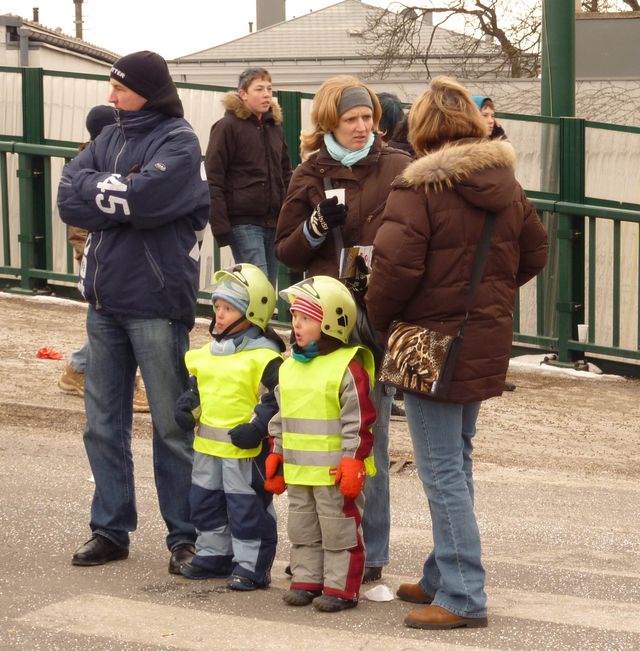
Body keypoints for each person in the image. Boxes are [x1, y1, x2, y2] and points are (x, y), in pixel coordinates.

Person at [366, 76, 548, 630]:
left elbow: (394, 272)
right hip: (483, 339)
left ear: (422, 129)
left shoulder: (417, 189)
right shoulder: (506, 184)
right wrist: (486, 296)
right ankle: (441, 573)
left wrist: (380, 320)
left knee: (442, 469)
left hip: (429, 344)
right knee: (456, 460)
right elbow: (536, 252)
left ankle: (464, 594)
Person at [57, 50, 210, 573]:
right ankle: (110, 529)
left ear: (146, 90)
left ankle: (186, 537)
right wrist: (122, 194)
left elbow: (147, 199)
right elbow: (67, 197)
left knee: (172, 427)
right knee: (102, 424)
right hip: (104, 302)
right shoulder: (108, 136)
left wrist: (106, 193)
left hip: (156, 304)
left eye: (119, 88)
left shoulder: (179, 141)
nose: (111, 96)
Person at [275, 75, 411, 584]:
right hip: (323, 323)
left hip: (374, 320)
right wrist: (314, 226)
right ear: (329, 122)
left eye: (367, 117)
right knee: (318, 439)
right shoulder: (310, 171)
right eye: (350, 119)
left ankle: (369, 550)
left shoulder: (397, 166)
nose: (361, 127)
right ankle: (322, 548)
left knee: (368, 439)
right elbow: (285, 249)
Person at [265, 276, 376, 612]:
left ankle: (342, 588)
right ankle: (307, 580)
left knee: (339, 530)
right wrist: (277, 454)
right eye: (295, 317)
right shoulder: (289, 368)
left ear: (331, 323)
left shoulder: (346, 367)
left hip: (334, 474)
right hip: (300, 471)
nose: (296, 325)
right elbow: (282, 417)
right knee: (303, 528)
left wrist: (353, 460)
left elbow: (359, 420)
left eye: (306, 318)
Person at [173, 263, 284, 590]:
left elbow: (275, 401)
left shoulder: (265, 358)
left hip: (244, 452)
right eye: (217, 307)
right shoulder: (205, 355)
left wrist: (258, 427)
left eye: (229, 309)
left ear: (253, 313)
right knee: (204, 504)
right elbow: (198, 392)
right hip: (207, 450)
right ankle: (214, 555)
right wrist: (188, 409)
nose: (219, 315)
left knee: (246, 508)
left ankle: (252, 566)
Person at [58, 106, 149, 413]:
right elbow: (82, 222)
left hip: (108, 255)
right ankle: (107, 378)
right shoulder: (96, 163)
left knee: (113, 321)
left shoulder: (107, 158)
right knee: (116, 321)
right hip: (99, 256)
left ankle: (78, 367)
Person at [204, 67, 292, 286]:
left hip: (274, 221)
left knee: (267, 288)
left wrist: (289, 214)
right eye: (259, 89)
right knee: (257, 286)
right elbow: (213, 178)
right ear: (243, 94)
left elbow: (285, 173)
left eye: (269, 89)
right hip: (244, 222)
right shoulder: (227, 127)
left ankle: (247, 311)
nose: (266, 94)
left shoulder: (275, 128)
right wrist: (220, 225)